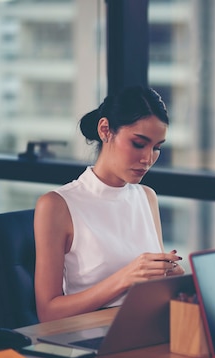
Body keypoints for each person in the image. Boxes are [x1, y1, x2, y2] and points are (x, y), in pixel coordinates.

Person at [34, 86, 185, 322]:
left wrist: (170, 275)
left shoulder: (147, 196)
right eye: (138, 143)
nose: (148, 159)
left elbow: (149, 282)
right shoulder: (57, 205)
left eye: (156, 147)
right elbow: (48, 312)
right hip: (88, 338)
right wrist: (126, 278)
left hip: (145, 326)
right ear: (105, 130)